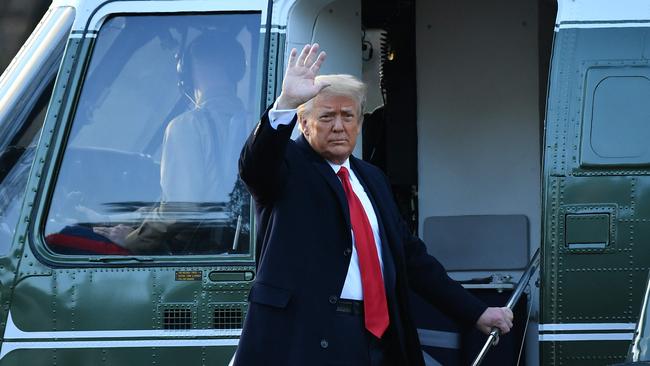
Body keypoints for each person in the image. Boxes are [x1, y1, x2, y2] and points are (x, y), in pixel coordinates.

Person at [235, 43, 514, 365]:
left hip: (376, 335)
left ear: (359, 123)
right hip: (307, 336)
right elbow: (255, 165)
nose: (339, 126)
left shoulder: (372, 178)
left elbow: (411, 259)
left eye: (347, 116)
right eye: (326, 116)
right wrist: (285, 103)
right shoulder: (288, 166)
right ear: (304, 123)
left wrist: (476, 312)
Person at [93, 32, 250, 254]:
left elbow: (181, 209)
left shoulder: (187, 126)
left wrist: (133, 239)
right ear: (237, 71)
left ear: (189, 71)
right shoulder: (254, 123)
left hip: (194, 252)